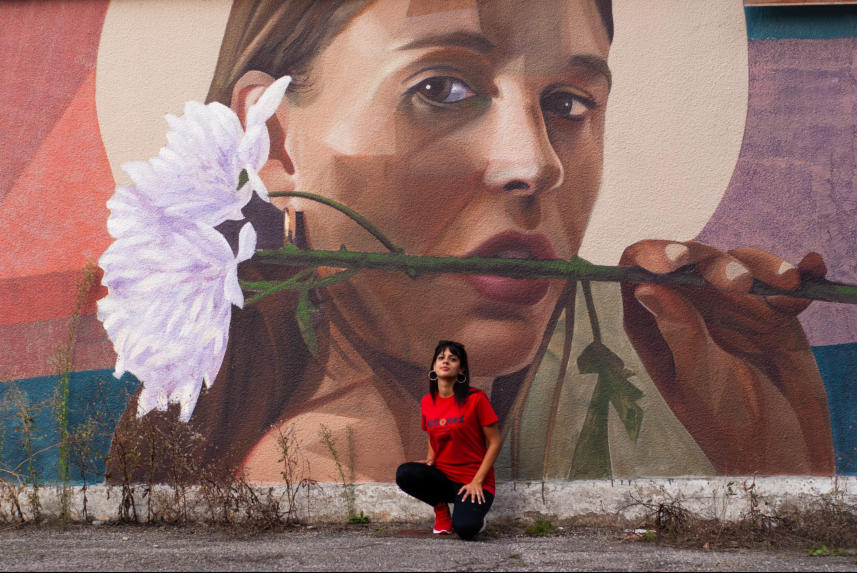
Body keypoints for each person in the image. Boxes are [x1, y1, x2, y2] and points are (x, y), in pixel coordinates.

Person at [107, 0, 834, 485]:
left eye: (567, 103)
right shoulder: (330, 466)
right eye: (440, 90)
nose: (535, 164)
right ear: (272, 137)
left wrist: (779, 468)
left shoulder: (611, 396)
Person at [396, 341, 502, 539]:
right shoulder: (428, 401)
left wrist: (477, 482)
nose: (445, 362)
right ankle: (441, 510)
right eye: (441, 358)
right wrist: (430, 458)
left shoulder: (476, 399)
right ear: (434, 366)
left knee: (466, 529)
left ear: (461, 369)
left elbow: (495, 442)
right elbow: (432, 434)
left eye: (452, 359)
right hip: (443, 477)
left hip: (473, 480)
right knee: (405, 473)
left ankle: (475, 517)